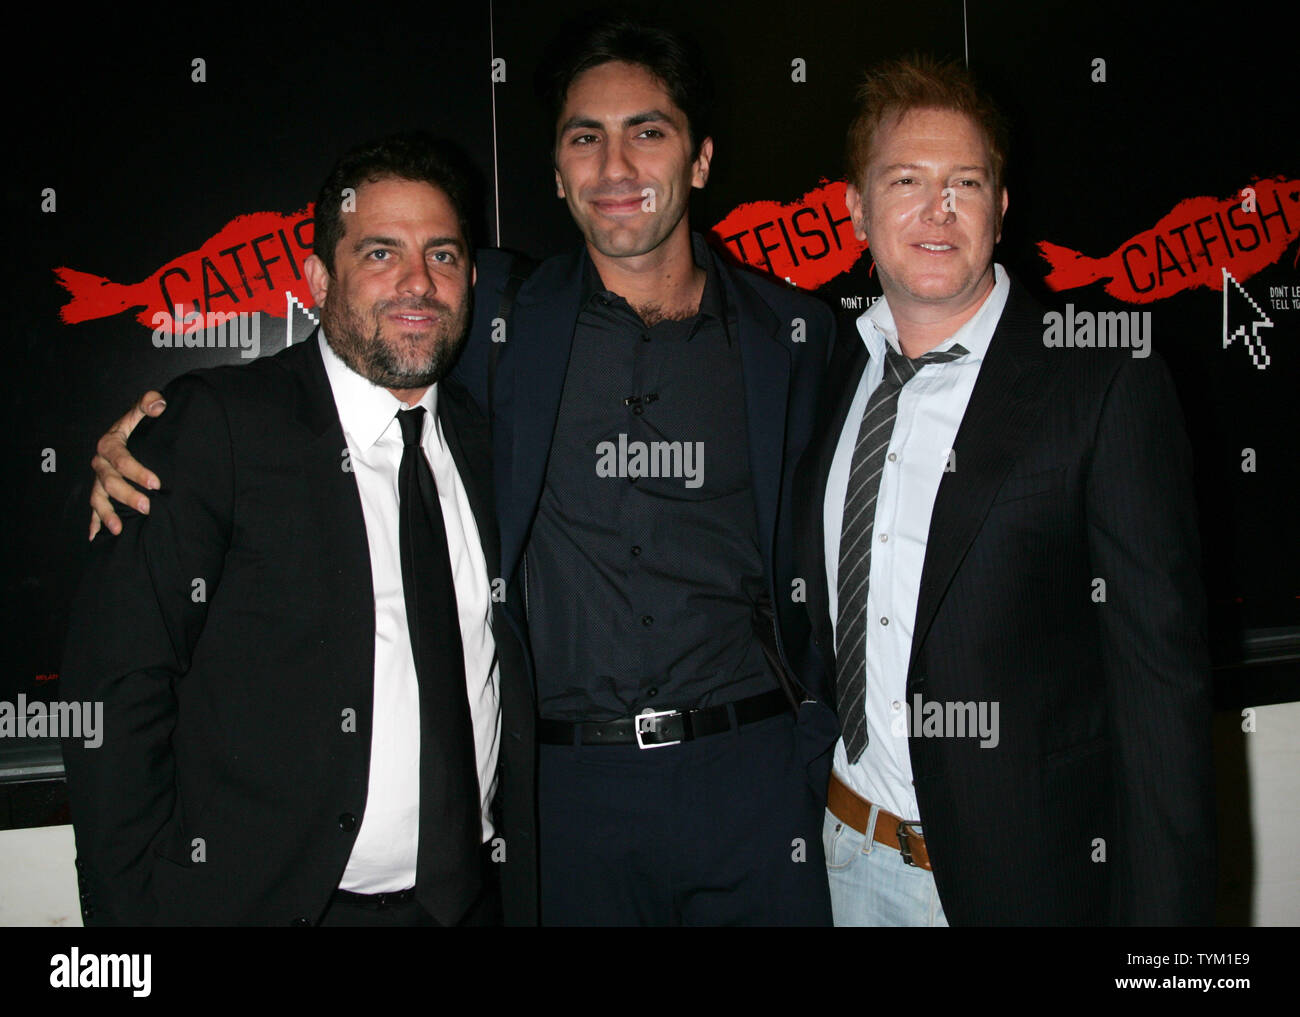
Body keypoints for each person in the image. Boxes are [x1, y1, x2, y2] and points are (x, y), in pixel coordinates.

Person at [88, 16, 839, 926]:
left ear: (702, 159)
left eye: (648, 131)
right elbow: (124, 686)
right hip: (564, 807)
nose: (615, 167)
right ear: (557, 174)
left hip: (751, 784)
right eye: (583, 139)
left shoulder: (797, 339)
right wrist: (148, 432)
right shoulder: (502, 326)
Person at [63, 133, 535, 926]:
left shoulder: (499, 448)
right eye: (380, 253)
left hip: (474, 905)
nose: (418, 282)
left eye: (443, 255)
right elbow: (118, 682)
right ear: (319, 278)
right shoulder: (221, 429)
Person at [792, 56, 1216, 925]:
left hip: (1022, 881)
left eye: (967, 183)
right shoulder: (828, 370)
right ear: (855, 208)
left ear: (1002, 207)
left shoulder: (1101, 382)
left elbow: (1160, 701)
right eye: (906, 180)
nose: (938, 210)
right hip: (837, 859)